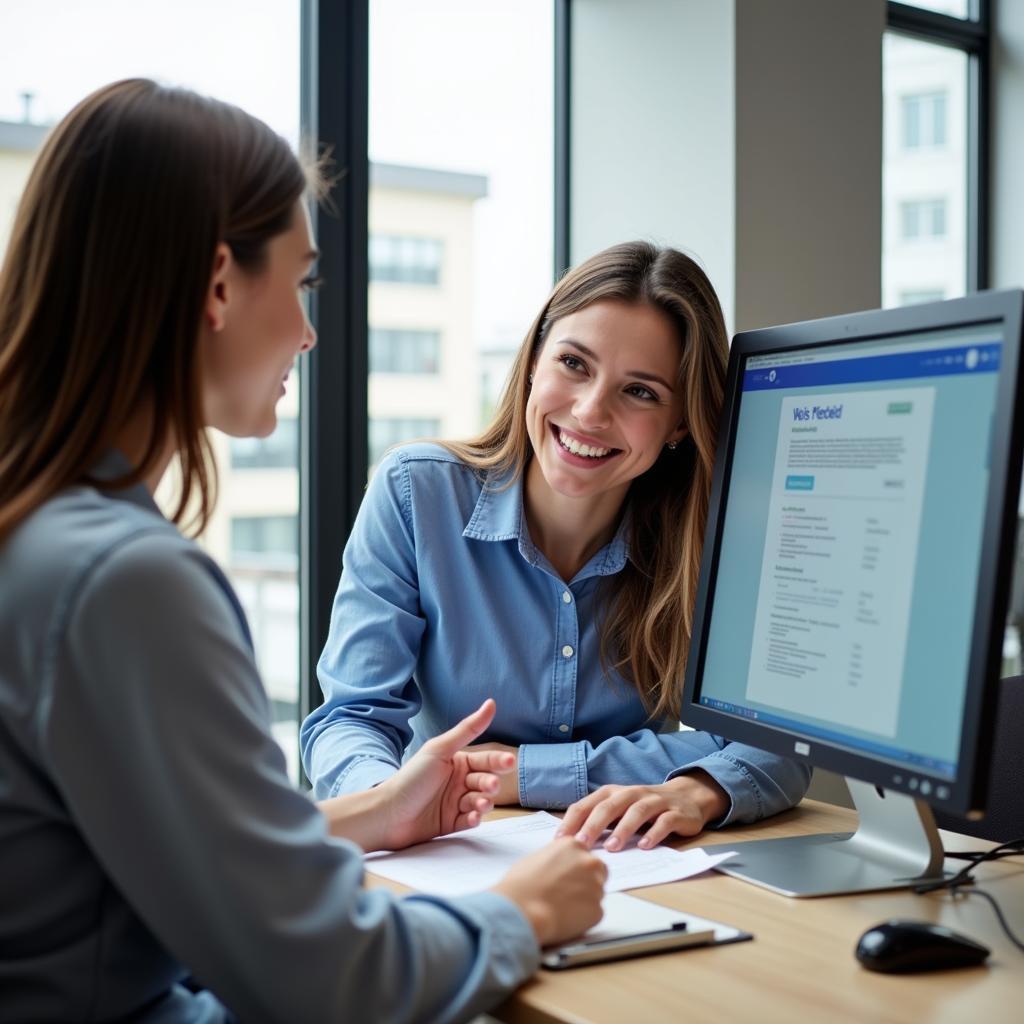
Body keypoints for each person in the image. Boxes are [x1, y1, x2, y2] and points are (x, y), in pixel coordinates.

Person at [0, 79, 608, 1024]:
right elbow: (323, 980)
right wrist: (518, 915)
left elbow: (163, 855)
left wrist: (371, 815)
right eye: (301, 282)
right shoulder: (123, 581)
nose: (309, 331)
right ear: (216, 286)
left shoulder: (36, 529)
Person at [302, 241, 811, 850]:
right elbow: (350, 720)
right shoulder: (418, 494)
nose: (590, 411)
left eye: (640, 391)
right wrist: (391, 803)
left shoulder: (707, 536)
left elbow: (774, 741)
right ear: (534, 362)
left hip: (625, 862)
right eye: (574, 364)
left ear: (679, 423)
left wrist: (690, 788)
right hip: (445, 852)